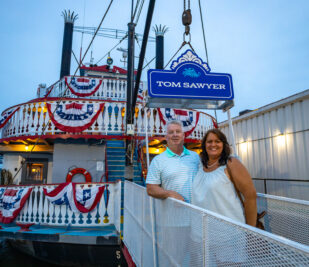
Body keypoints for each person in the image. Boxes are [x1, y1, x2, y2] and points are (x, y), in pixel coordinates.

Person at [192, 129, 257, 266]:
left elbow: (250, 196)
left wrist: (251, 232)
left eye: (217, 141)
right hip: (203, 235)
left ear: (224, 144)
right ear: (204, 145)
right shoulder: (200, 165)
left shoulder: (231, 163)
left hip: (229, 235)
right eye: (209, 141)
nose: (213, 145)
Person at [146, 120, 200, 203]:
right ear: (166, 137)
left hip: (197, 211)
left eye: (178, 131)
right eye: (171, 132)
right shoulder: (158, 160)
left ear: (183, 135)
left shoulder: (195, 157)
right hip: (173, 212)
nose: (175, 134)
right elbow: (151, 189)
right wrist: (169, 193)